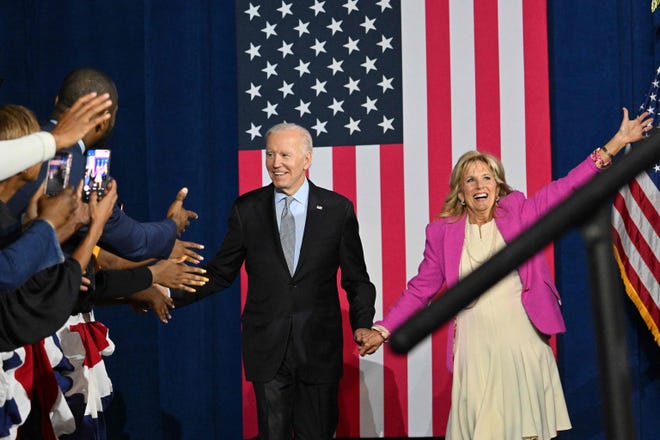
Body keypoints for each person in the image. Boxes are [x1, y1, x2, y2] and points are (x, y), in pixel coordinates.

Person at [358, 109, 654, 440]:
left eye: (487, 177)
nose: (479, 185)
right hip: (475, 348)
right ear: (460, 191)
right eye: (470, 180)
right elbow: (420, 291)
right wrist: (383, 330)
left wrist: (616, 144)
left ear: (498, 186)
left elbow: (568, 187)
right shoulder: (442, 232)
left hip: (521, 341)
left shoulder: (520, 211)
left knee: (524, 431)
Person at [170, 122, 376, 439]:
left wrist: (363, 322)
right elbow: (221, 273)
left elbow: (357, 279)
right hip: (267, 347)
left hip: (318, 348)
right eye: (269, 154)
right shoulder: (246, 209)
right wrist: (164, 291)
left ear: (307, 159)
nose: (275, 163)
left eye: (284, 154)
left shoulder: (337, 209)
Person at [0, 92, 112, 180]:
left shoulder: (15, 133)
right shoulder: (93, 174)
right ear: (104, 121)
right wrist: (56, 139)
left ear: (57, 100)